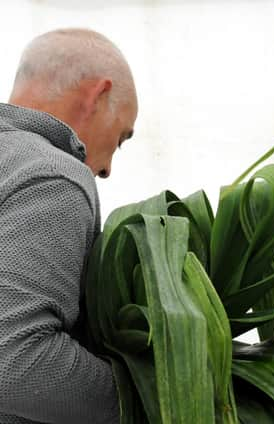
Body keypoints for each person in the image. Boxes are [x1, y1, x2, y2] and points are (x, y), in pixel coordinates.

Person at [0, 28, 137, 423]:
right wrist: (142, 396)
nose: (109, 167)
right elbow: (15, 361)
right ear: (98, 95)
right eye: (122, 137)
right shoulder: (52, 174)